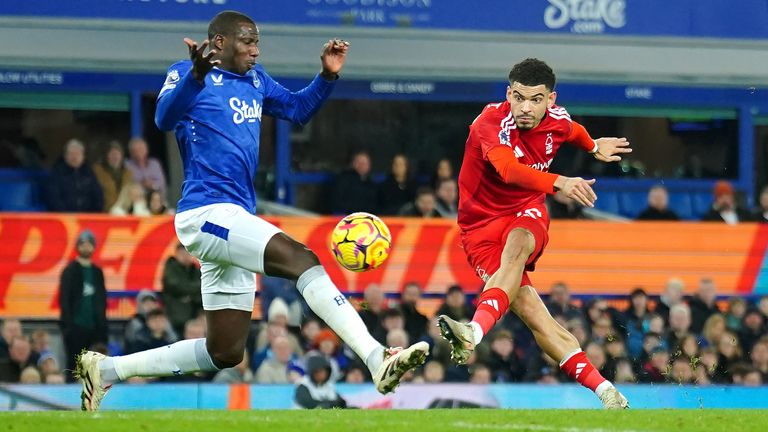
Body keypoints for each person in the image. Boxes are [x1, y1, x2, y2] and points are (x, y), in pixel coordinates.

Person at [75, 10, 427, 411]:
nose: (256, 50)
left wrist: (326, 76)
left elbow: (297, 110)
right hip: (205, 212)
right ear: (219, 44)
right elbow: (163, 118)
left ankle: (105, 371)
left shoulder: (256, 81)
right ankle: (376, 356)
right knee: (302, 259)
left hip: (233, 217)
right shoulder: (189, 74)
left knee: (224, 351)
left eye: (257, 42)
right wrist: (193, 77)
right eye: (247, 41)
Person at [436, 58, 630, 408]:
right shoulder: (489, 124)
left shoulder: (559, 120)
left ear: (550, 100)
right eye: (519, 97)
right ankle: (606, 391)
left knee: (518, 245)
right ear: (509, 94)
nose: (526, 107)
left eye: (536, 99)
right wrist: (561, 182)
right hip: (478, 227)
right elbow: (509, 170)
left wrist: (592, 147)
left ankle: (473, 331)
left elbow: (573, 131)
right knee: (532, 312)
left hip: (526, 210)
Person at [59, 229, 108, 382]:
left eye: (89, 244)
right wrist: (68, 326)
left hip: (95, 327)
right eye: (83, 244)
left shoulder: (97, 272)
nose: (86, 247)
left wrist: (102, 325)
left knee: (96, 368)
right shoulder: (70, 271)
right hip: (76, 327)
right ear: (78, 247)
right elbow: (64, 299)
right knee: (73, 367)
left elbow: (102, 300)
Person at [47, 139, 104, 212]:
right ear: (65, 156)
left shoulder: (89, 173)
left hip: (87, 218)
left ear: (83, 157)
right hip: (64, 219)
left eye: (77, 154)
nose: (74, 157)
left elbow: (98, 197)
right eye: (71, 154)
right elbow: (53, 199)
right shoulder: (56, 174)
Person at [161, 243, 203, 336]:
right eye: (182, 254)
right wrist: (194, 290)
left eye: (188, 254)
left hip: (195, 314)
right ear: (176, 254)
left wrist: (189, 294)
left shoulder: (195, 270)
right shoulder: (171, 268)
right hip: (176, 316)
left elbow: (203, 287)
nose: (185, 257)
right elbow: (176, 286)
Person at [330, 150, 378, 215]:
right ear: (353, 163)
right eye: (358, 162)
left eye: (365, 163)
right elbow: (336, 203)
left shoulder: (371, 183)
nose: (362, 165)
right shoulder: (343, 179)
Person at [92, 140, 134, 212]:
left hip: (124, 212)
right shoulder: (97, 171)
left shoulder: (128, 173)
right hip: (104, 212)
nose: (115, 157)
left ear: (121, 156)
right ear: (106, 156)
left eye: (117, 154)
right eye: (112, 154)